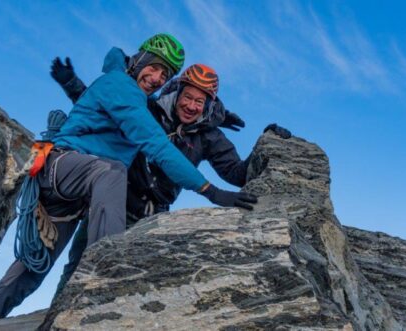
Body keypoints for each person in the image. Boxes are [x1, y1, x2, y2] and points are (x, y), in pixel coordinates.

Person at [0, 33, 257, 320]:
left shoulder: (205, 133)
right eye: (155, 67)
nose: (157, 77)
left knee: (29, 273)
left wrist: (260, 143)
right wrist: (209, 190)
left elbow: (236, 171)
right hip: (85, 181)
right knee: (109, 181)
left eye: (165, 73)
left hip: (93, 200)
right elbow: (153, 142)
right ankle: (107, 269)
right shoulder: (135, 97)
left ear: (209, 106)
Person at [48, 62, 292, 291]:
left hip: (151, 221)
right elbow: (107, 105)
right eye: (187, 97)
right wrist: (72, 84)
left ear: (208, 105)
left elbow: (237, 174)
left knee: (127, 283)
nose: (191, 106)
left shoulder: (209, 137)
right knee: (78, 271)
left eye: (199, 101)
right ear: (176, 93)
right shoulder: (149, 110)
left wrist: (266, 143)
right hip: (110, 206)